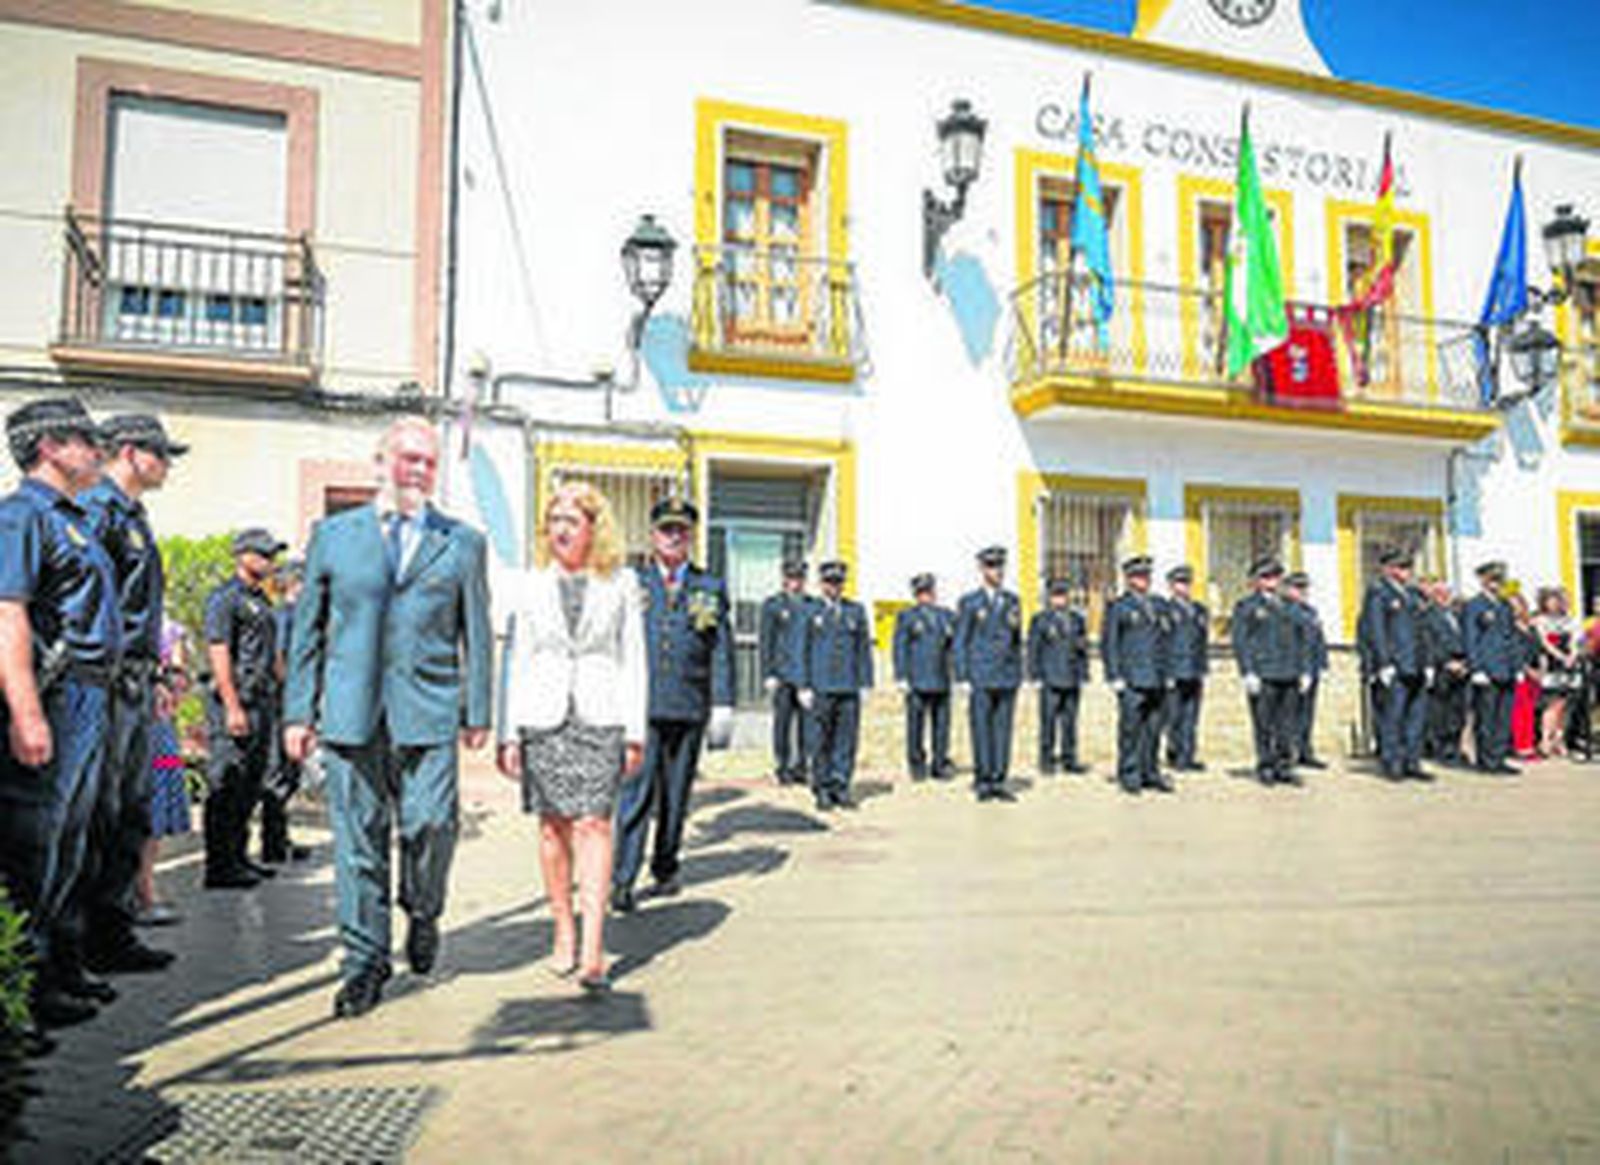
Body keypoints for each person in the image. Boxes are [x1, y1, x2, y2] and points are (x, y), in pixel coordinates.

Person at [284, 417, 494, 1019]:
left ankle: (423, 910)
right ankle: (363, 962)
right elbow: (308, 632)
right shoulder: (333, 536)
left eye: (428, 461)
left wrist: (477, 708)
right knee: (358, 844)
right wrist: (299, 711)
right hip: (350, 715)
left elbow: (477, 633)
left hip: (429, 711)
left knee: (432, 825)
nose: (419, 470)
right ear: (381, 462)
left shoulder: (462, 543)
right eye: (408, 458)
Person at [0, 398, 119, 1034]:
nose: (97, 451)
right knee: (33, 847)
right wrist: (26, 713)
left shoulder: (74, 519)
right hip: (57, 694)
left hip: (91, 694)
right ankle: (21, 997)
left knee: (72, 842)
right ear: (48, 446)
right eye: (85, 441)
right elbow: (8, 614)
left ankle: (56, 971)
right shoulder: (21, 516)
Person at [497, 483, 645, 994]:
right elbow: (518, 659)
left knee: (595, 825)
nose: (560, 529)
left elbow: (634, 658)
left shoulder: (621, 582)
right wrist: (509, 733)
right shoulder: (531, 583)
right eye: (554, 519)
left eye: (572, 520)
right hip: (543, 718)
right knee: (553, 829)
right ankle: (563, 928)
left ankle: (593, 947)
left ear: (593, 528)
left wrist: (634, 731)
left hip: (602, 716)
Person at [73, 414, 186, 978]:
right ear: (129, 452)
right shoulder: (98, 511)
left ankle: (112, 934)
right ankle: (76, 946)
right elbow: (90, 603)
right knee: (100, 812)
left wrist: (158, 676)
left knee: (130, 811)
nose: (167, 465)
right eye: (160, 454)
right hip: (109, 681)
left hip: (138, 681)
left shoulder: (132, 515)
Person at [611, 497, 734, 913]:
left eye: (681, 530)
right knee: (635, 793)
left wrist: (723, 702)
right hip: (641, 706)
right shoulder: (632, 582)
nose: (674, 536)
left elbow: (720, 647)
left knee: (676, 797)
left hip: (688, 703)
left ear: (691, 536)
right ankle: (622, 878)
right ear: (653, 535)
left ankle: (665, 866)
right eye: (666, 529)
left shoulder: (708, 586)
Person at [202, 528, 286, 889]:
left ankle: (238, 857)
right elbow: (219, 651)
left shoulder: (261, 600)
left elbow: (272, 654)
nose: (270, 562)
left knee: (250, 784)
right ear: (243, 556)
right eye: (264, 554)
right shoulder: (225, 598)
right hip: (236, 702)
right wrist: (232, 705)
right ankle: (219, 866)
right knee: (227, 783)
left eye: (272, 555)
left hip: (262, 701)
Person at [800, 560, 874, 811]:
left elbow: (863, 649)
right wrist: (803, 685)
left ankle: (841, 786)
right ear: (821, 584)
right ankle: (822, 787)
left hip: (848, 685)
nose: (834, 587)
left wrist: (865, 682)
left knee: (846, 740)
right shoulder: (809, 611)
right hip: (820, 686)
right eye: (829, 582)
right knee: (820, 740)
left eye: (838, 582)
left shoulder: (856, 611)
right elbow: (801, 649)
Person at [954, 546, 1023, 802]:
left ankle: (999, 780)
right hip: (981, 675)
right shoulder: (970, 602)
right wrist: (962, 676)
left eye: (1000, 566)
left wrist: (1019, 672)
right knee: (982, 728)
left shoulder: (1012, 601)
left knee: (1003, 730)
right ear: (982, 570)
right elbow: (961, 640)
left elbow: (1016, 640)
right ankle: (983, 780)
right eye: (992, 566)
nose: (997, 571)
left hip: (1006, 675)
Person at [1356, 547, 1430, 781]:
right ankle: (1393, 762)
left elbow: (1424, 631)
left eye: (1408, 567)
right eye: (1401, 567)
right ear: (1387, 569)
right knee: (1393, 716)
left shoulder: (1414, 595)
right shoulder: (1379, 593)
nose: (1406, 571)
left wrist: (1428, 662)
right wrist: (1383, 663)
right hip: (1396, 665)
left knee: (1415, 717)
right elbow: (1377, 630)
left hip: (1416, 663)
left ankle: (1412, 761)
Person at [1233, 556, 1306, 786]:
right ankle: (1265, 765)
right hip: (1264, 672)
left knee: (1287, 724)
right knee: (1264, 723)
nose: (1271, 581)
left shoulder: (1289, 605)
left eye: (1275, 576)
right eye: (1266, 577)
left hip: (1289, 671)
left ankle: (1284, 766)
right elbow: (1241, 641)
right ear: (1256, 581)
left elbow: (1301, 638)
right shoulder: (1247, 606)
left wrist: (1304, 669)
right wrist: (1248, 671)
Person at [137, 614, 191, 927]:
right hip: (144, 719)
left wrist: (175, 679)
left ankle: (146, 885)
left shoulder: (169, 627)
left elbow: (179, 675)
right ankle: (143, 890)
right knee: (148, 803)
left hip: (162, 725)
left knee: (162, 786)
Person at [1104, 555, 1171, 794]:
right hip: (1132, 678)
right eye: (1138, 576)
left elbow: (1167, 640)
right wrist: (1114, 676)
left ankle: (1150, 772)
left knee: (1154, 729)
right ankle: (1129, 774)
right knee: (1130, 730)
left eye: (1146, 575)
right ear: (1128, 579)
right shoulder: (1119, 607)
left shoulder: (1159, 605)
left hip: (1157, 676)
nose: (1144, 580)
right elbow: (1110, 643)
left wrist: (1169, 672)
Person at [262, 559, 310, 865]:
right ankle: (274, 844)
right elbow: (277, 657)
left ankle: (280, 839)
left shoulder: (297, 615)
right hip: (282, 702)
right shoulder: (284, 615)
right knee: (279, 772)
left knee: (290, 772)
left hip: (291, 700)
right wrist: (291, 693)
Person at [893, 573, 955, 781]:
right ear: (915, 595)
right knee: (916, 725)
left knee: (942, 725)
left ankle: (940, 763)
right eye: (921, 592)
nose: (926, 596)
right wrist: (901, 675)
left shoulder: (946, 616)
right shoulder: (907, 617)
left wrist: (958, 673)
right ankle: (917, 764)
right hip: (917, 679)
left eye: (929, 591)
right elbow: (900, 647)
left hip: (941, 678)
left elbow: (954, 646)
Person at [1462, 561, 1521, 775]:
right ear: (1483, 580)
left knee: (1503, 717)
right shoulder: (1474, 605)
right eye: (1492, 579)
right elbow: (1471, 638)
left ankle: (1498, 757)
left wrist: (1517, 666)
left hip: (1506, 668)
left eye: (1499, 580)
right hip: (1487, 669)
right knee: (1486, 717)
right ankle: (1486, 760)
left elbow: (1511, 637)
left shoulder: (1505, 606)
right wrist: (1476, 668)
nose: (1496, 584)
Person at [759, 559, 813, 786]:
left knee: (806, 725)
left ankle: (801, 766)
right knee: (782, 723)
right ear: (784, 579)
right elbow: (766, 641)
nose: (795, 583)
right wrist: (768, 672)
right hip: (781, 674)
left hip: (806, 675)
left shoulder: (812, 605)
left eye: (799, 578)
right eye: (791, 578)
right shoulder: (773, 605)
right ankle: (782, 766)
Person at [1027, 576, 1089, 776]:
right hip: (1050, 678)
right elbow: (1033, 649)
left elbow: (1082, 649)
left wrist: (1084, 673)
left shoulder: (1077, 619)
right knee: (1048, 722)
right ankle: (1046, 760)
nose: (1060, 599)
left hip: (1071, 677)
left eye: (1063, 595)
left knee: (1070, 722)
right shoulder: (1040, 620)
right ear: (1049, 597)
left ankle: (1069, 759)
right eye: (1056, 595)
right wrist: (1034, 675)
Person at [1159, 564, 1208, 772]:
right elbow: (1162, 643)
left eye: (1187, 582)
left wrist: (1203, 667)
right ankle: (1175, 754)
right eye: (1179, 583)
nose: (1184, 587)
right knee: (1173, 716)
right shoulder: (1164, 610)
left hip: (1194, 669)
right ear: (1171, 586)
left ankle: (1188, 755)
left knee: (1191, 716)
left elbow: (1201, 640)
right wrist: (1165, 671)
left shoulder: (1199, 610)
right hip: (1174, 670)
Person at [1283, 571, 1329, 769]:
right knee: (1289, 714)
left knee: (1307, 713)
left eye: (1304, 588)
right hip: (1293, 669)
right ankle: (1288, 752)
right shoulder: (1284, 610)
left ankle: (1305, 750)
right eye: (1298, 588)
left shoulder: (1310, 611)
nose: (1303, 592)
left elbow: (1316, 640)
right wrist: (1300, 669)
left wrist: (1322, 663)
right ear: (1287, 589)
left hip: (1311, 668)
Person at [1421, 580, 1469, 766]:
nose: (1445, 597)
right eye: (1440, 593)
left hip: (1461, 667)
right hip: (1442, 668)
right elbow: (1429, 643)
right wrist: (1446, 662)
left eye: (1447, 593)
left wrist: (1465, 663)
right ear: (1433, 596)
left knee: (1458, 711)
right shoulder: (1428, 616)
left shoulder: (1456, 615)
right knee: (1442, 713)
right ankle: (1442, 750)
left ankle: (1455, 747)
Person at [1533, 586, 1580, 759]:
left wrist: (1572, 656)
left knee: (1564, 704)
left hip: (1569, 664)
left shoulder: (1570, 620)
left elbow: (1575, 641)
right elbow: (1544, 643)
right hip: (1552, 664)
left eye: (1557, 601)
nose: (1555, 604)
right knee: (1551, 704)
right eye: (1551, 601)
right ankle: (1545, 740)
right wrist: (1560, 657)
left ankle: (1559, 740)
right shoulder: (1541, 620)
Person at [1509, 592, 1542, 760]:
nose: (1515, 609)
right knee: (1519, 712)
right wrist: (1528, 670)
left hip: (1534, 673)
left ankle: (1529, 744)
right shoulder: (1509, 627)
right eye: (1511, 606)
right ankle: (1521, 747)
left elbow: (1538, 647)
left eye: (1517, 605)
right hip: (1519, 672)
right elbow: (1513, 653)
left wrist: (1541, 668)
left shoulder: (1531, 627)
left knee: (1530, 712)